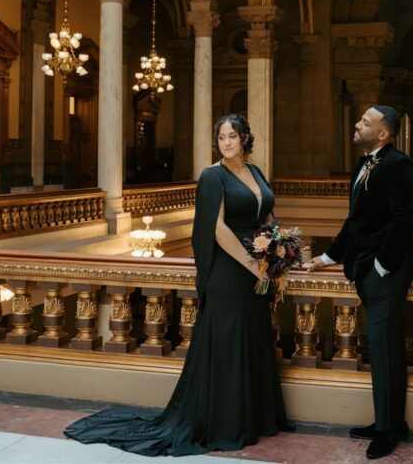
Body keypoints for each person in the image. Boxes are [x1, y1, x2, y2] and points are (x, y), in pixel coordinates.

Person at [65, 114, 289, 455]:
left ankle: (256, 418)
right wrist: (252, 266)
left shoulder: (255, 172)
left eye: (233, 136)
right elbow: (217, 229)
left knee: (253, 338)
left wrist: (279, 249)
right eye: (221, 137)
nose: (227, 143)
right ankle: (228, 423)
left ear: (245, 139)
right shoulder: (213, 176)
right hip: (229, 273)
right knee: (229, 345)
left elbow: (267, 216)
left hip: (257, 272)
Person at [304, 105, 413, 460]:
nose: (357, 124)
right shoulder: (365, 163)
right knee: (382, 349)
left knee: (385, 352)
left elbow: (405, 221)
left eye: (366, 122)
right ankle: (387, 421)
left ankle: (387, 431)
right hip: (367, 267)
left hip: (386, 272)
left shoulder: (399, 165)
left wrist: (382, 266)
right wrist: (326, 257)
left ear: (383, 134)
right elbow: (354, 221)